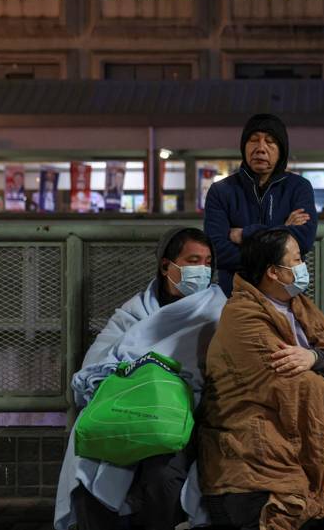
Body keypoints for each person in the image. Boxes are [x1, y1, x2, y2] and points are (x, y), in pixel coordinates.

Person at [54, 227, 227, 530]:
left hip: (183, 416)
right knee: (87, 462)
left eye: (207, 262)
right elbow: (95, 366)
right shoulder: (134, 312)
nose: (202, 269)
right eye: (193, 260)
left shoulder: (217, 310)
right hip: (128, 409)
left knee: (164, 476)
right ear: (166, 266)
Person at [199, 228, 324, 530]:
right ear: (274, 273)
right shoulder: (242, 317)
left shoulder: (300, 306)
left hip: (313, 417)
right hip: (260, 424)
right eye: (297, 259)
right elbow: (292, 382)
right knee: (294, 499)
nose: (303, 265)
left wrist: (317, 360)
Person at [204, 114, 318, 296]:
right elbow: (217, 250)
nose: (261, 148)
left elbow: (303, 239)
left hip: (285, 296)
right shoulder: (221, 191)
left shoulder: (298, 187)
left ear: (281, 150)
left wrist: (245, 234)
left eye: (270, 142)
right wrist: (283, 232)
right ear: (244, 146)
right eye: (253, 140)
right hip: (235, 296)